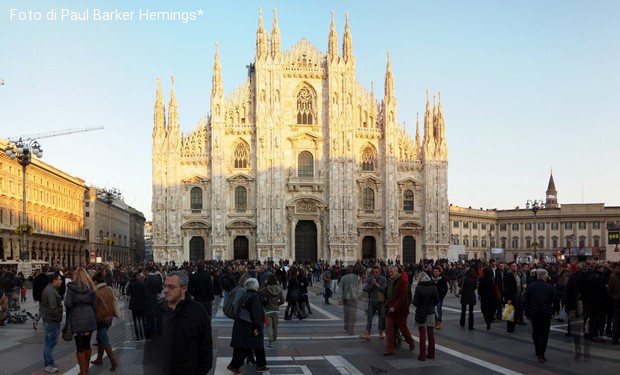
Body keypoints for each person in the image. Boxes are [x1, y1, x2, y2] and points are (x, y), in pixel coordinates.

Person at [143, 271, 213, 374]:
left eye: (171, 287)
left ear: (184, 288)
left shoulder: (198, 311)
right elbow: (150, 344)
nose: (166, 290)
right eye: (165, 286)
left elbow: (206, 345)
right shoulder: (157, 310)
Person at [228, 278, 270, 374]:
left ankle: (261, 365)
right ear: (255, 286)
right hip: (249, 326)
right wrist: (258, 327)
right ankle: (233, 366)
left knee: (257, 346)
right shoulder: (254, 296)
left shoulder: (245, 295)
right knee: (247, 347)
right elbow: (256, 314)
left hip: (242, 324)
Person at [64, 268, 97, 375]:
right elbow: (95, 304)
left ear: (75, 275)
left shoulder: (71, 287)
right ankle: (86, 368)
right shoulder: (91, 286)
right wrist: (94, 316)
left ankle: (83, 371)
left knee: (79, 345)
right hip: (89, 316)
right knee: (87, 343)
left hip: (76, 317)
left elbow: (68, 303)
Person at [524, 269, 560, 363]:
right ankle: (542, 353)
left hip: (534, 312)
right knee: (544, 333)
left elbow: (526, 300)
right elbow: (556, 300)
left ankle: (537, 348)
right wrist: (554, 311)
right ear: (545, 276)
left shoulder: (531, 286)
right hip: (545, 312)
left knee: (535, 331)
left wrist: (526, 313)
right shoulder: (549, 287)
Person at [383, 265, 416, 356]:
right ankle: (390, 349)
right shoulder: (390, 281)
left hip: (400, 310)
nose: (390, 274)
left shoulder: (403, 282)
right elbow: (388, 294)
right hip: (390, 309)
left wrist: (395, 307)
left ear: (396, 272)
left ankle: (411, 342)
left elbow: (403, 297)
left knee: (403, 328)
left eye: (391, 272)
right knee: (388, 329)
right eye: (389, 272)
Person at [90, 270, 119, 371]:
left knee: (105, 341)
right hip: (109, 318)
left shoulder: (96, 293)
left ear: (96, 282)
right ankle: (99, 358)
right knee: (100, 339)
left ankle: (114, 362)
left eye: (94, 282)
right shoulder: (109, 289)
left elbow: (94, 307)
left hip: (101, 319)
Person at [412, 272, 439, 361]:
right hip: (430, 313)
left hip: (421, 313)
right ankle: (431, 354)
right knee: (431, 334)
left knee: (422, 334)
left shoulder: (419, 288)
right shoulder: (434, 287)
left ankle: (422, 355)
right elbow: (436, 301)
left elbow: (415, 302)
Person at [41, 272, 63, 373]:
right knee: (50, 343)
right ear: (54, 280)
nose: (61, 281)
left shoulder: (50, 289)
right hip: (51, 320)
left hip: (48, 319)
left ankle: (49, 361)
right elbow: (53, 309)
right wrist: (59, 316)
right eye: (59, 279)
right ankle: (48, 364)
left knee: (49, 342)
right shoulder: (51, 292)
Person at [360, 265, 387, 340]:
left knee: (381, 317)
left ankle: (380, 331)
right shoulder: (369, 279)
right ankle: (367, 331)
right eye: (374, 272)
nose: (375, 273)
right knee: (369, 317)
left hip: (381, 301)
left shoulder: (383, 279)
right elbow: (366, 289)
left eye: (376, 272)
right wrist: (372, 284)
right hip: (372, 301)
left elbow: (384, 289)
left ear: (380, 271)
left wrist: (376, 284)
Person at [260, 274, 285, 347]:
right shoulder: (279, 289)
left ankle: (270, 341)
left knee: (269, 326)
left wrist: (264, 284)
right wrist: (277, 304)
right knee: (275, 326)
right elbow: (283, 301)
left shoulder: (266, 289)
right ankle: (274, 339)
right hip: (276, 310)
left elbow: (260, 292)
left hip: (268, 310)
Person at [339, 265, 360, 335]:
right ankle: (350, 329)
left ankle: (346, 326)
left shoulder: (343, 278)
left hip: (345, 298)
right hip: (354, 298)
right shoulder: (357, 278)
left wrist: (340, 298)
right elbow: (359, 288)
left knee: (347, 313)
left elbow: (340, 289)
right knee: (353, 314)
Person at [127, 272, 148, 341]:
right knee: (143, 320)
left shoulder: (131, 284)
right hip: (141, 304)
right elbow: (145, 295)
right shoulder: (142, 284)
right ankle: (144, 335)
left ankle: (137, 336)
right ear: (136, 276)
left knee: (135, 321)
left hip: (134, 304)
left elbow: (128, 293)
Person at [504, 262, 523, 334]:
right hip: (512, 297)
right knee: (510, 313)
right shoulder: (509, 275)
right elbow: (507, 288)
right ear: (510, 267)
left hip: (518, 296)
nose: (515, 267)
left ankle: (513, 327)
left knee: (517, 312)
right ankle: (509, 329)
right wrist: (508, 298)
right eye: (513, 266)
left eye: (515, 266)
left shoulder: (517, 274)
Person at [32, 265, 50, 330]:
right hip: (46, 296)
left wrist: (34, 297)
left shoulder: (36, 278)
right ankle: (38, 321)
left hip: (39, 297)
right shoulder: (47, 278)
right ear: (47, 270)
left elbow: (34, 288)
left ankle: (39, 322)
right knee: (45, 310)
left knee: (42, 309)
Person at [608, 262, 620, 346]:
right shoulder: (612, 276)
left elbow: (609, 289)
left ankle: (615, 339)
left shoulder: (612, 276)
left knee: (616, 320)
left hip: (616, 300)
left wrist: (612, 296)